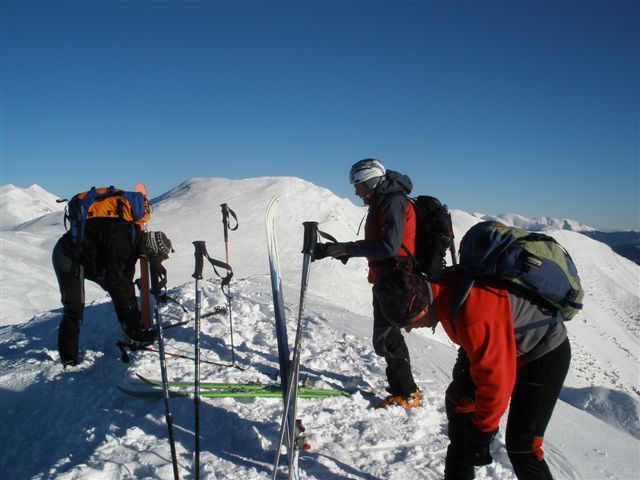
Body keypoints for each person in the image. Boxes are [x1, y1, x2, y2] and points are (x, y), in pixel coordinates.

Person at [373, 267, 572, 480]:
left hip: (543, 352)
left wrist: (483, 432)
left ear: (420, 307)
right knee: (458, 402)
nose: (408, 329)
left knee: (523, 446)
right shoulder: (441, 291)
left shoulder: (472, 314)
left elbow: (496, 383)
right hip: (509, 347)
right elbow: (478, 342)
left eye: (406, 323)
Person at [320, 158, 421, 409]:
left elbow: (389, 246)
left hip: (396, 278)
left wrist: (348, 248)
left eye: (359, 185)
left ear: (372, 181)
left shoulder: (392, 201)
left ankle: (407, 393)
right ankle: (404, 390)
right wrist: (343, 251)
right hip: (387, 277)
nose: (356, 192)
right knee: (386, 337)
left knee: (386, 337)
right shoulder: (382, 201)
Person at [52, 198, 172, 367]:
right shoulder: (123, 244)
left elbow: (126, 283)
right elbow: (115, 284)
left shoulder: (134, 242)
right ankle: (68, 359)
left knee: (123, 288)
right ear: (150, 249)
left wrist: (135, 325)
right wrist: (132, 321)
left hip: (90, 258)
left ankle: (132, 331)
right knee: (74, 308)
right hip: (68, 256)